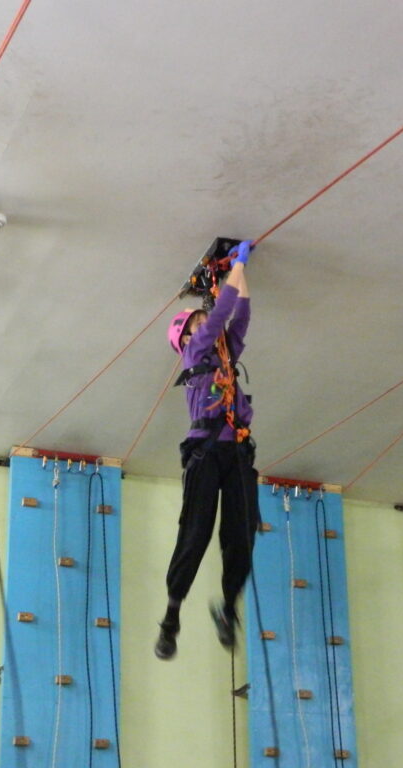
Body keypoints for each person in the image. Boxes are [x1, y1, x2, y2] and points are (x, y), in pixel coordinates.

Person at [155, 240, 259, 660]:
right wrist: (235, 270)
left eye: (202, 321)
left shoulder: (225, 355)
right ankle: (171, 615)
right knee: (196, 531)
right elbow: (220, 315)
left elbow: (241, 316)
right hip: (204, 453)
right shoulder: (195, 351)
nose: (205, 326)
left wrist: (242, 273)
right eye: (196, 323)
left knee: (242, 532)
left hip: (237, 454)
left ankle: (229, 607)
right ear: (186, 338)